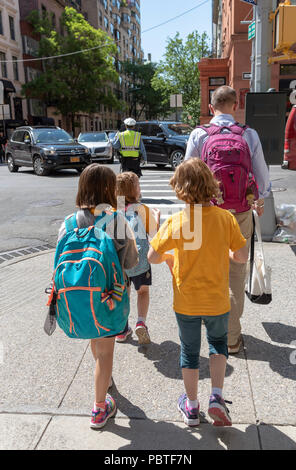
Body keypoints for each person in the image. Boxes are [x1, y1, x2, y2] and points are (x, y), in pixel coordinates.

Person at [148, 158, 249, 427]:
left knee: (189, 352)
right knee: (218, 345)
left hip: (186, 301)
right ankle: (216, 397)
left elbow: (151, 256)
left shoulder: (177, 221)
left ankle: (191, 408)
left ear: (180, 189)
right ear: (210, 184)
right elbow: (241, 256)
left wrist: (170, 258)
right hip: (217, 299)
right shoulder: (224, 218)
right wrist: (227, 252)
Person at [185, 85, 271, 354]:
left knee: (208, 267)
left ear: (211, 108)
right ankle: (231, 338)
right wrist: (260, 198)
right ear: (236, 106)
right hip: (241, 211)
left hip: (208, 211)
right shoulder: (248, 134)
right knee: (236, 272)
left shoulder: (199, 134)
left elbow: (187, 173)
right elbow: (262, 174)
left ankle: (210, 325)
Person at [57, 164, 138, 429]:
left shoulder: (68, 222)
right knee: (106, 352)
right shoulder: (114, 219)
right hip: (109, 297)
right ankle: (99, 408)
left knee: (96, 341)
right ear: (109, 189)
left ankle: (105, 380)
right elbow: (130, 262)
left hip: (78, 298)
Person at [115, 171, 160, 344]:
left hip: (121, 263)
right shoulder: (142, 210)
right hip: (140, 260)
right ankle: (141, 321)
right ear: (134, 191)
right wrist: (157, 218)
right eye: (138, 185)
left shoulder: (114, 210)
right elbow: (155, 233)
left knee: (123, 293)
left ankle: (121, 329)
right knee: (142, 292)